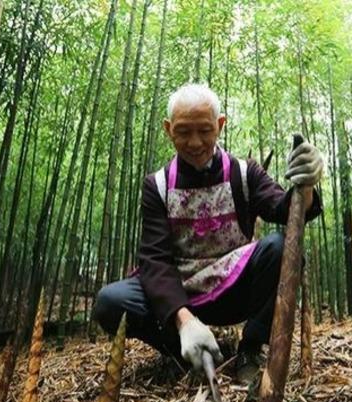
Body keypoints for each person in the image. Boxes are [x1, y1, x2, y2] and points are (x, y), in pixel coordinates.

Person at [92, 84, 324, 383]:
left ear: (220, 125)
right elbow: (155, 259)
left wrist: (306, 184)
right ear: (168, 129)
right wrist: (185, 321)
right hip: (178, 293)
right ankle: (184, 351)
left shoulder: (244, 173)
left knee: (280, 248)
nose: (195, 142)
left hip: (233, 288)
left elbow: (285, 210)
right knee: (111, 302)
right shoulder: (157, 185)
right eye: (183, 132)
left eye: (204, 130)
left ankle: (250, 350)